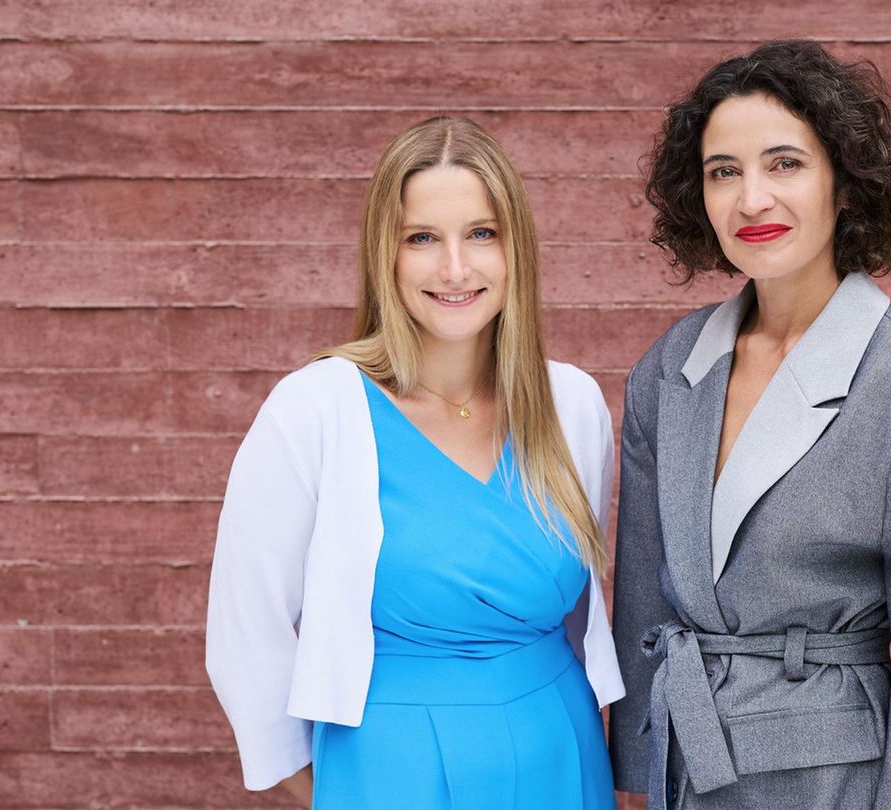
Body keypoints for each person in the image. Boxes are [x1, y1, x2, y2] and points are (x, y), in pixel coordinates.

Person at [608, 40, 891, 810]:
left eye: (784, 164)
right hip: (685, 773)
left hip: (831, 781)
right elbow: (645, 607)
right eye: (723, 171)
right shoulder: (669, 368)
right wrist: (639, 768)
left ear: (845, 182)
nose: (751, 199)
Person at [205, 116, 623, 809]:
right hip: (389, 763)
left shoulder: (571, 404)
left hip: (563, 752)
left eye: (481, 234)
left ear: (516, 248)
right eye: (422, 238)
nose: (455, 269)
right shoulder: (315, 409)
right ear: (385, 255)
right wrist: (329, 786)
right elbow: (245, 627)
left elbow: (591, 615)